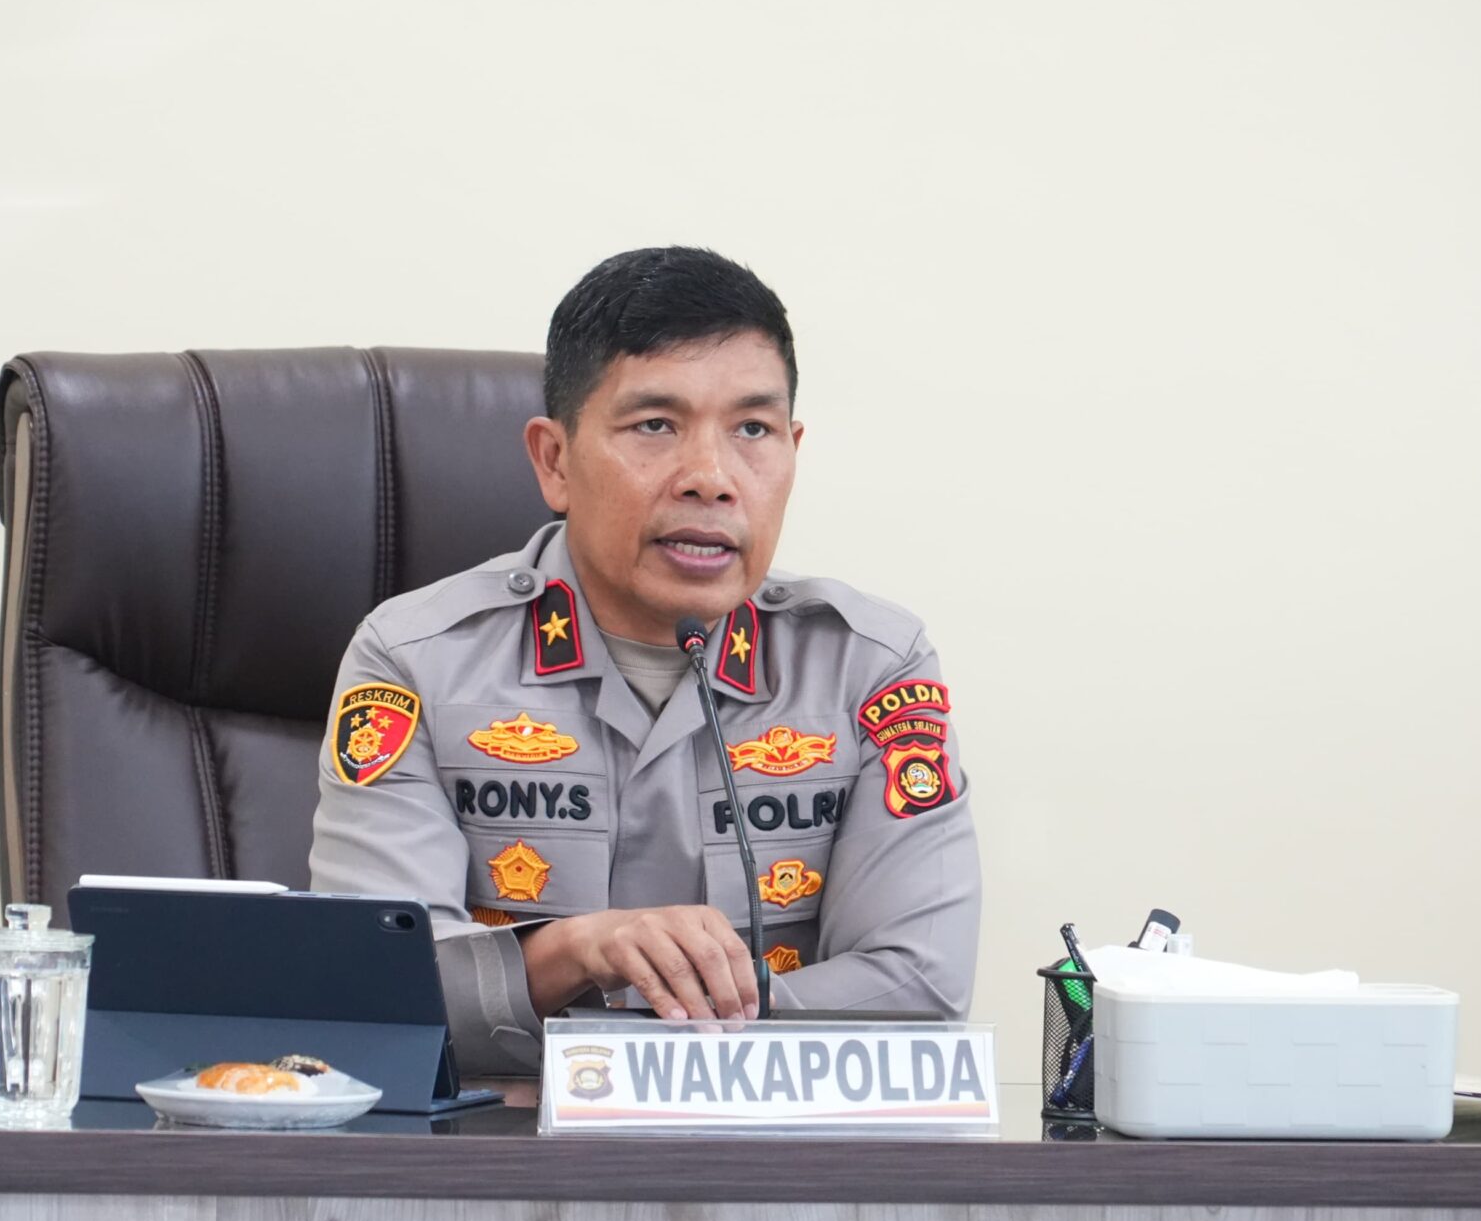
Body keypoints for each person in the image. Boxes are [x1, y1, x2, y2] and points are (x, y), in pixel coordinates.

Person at [307, 247, 979, 1074]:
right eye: (655, 425)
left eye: (753, 430)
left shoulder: (868, 667)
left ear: (792, 451)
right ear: (554, 461)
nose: (712, 478)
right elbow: (369, 990)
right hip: (497, 1145)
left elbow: (920, 988)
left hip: (770, 1143)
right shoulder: (416, 659)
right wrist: (573, 952)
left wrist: (647, 1036)